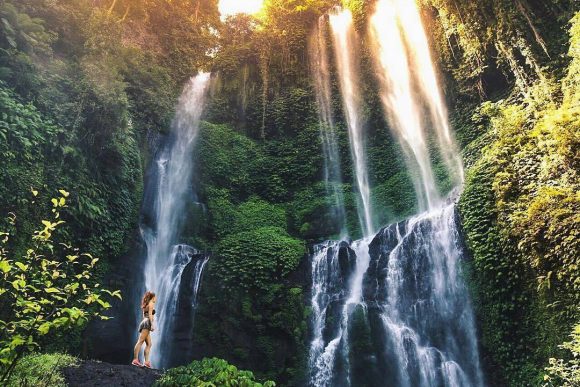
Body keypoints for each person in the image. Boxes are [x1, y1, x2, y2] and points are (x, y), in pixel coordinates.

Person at [132, 291, 156, 368]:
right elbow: (150, 315)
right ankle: (135, 360)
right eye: (155, 297)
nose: (156, 299)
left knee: (149, 344)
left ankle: (146, 362)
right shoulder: (151, 303)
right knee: (140, 341)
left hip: (144, 321)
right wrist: (152, 325)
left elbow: (144, 315)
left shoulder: (145, 305)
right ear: (153, 297)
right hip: (147, 322)